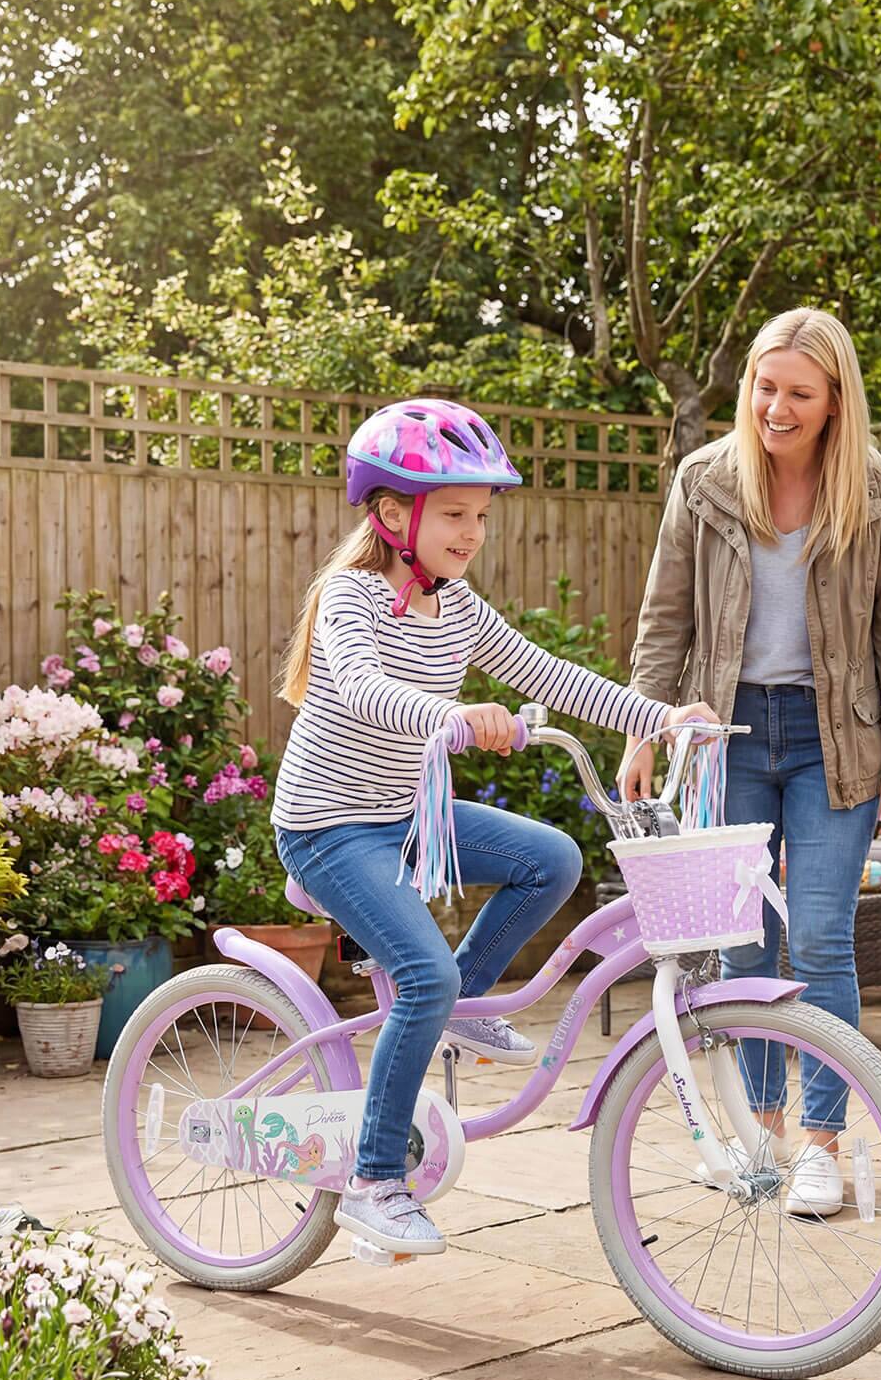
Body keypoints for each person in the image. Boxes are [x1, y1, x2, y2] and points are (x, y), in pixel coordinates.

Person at [274, 397, 714, 1256]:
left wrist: (660, 718)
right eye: (455, 513)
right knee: (420, 972)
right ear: (393, 512)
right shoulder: (350, 598)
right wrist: (449, 714)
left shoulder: (460, 607)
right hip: (329, 828)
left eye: (481, 514)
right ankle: (373, 1179)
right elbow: (362, 686)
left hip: (407, 815)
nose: (472, 531)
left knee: (550, 857)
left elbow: (548, 673)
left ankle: (460, 1003)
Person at [620, 308, 881, 1217]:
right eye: (765, 387)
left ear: (835, 401)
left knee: (824, 937)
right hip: (728, 740)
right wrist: (643, 729)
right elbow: (664, 620)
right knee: (745, 942)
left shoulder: (877, 492)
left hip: (839, 739)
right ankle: (760, 1131)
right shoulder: (704, 481)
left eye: (799, 393)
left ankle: (822, 1144)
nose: (777, 408)